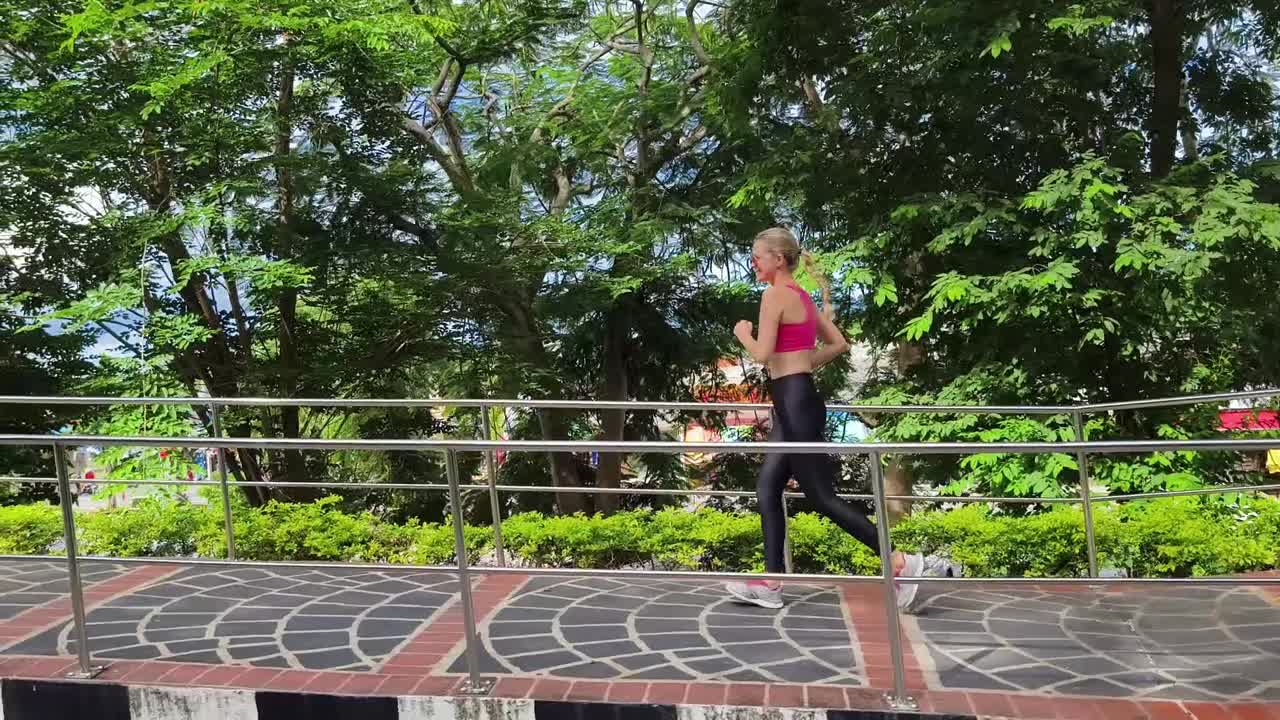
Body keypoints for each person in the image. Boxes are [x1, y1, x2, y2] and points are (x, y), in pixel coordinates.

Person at [724, 227, 923, 611]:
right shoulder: (801, 297)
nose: (754, 263)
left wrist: (742, 334)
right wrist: (799, 363)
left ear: (778, 260)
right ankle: (770, 580)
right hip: (795, 398)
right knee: (767, 488)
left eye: (758, 256)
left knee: (821, 496)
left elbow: (763, 353)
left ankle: (900, 563)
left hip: (795, 402)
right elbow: (838, 344)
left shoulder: (774, 295)